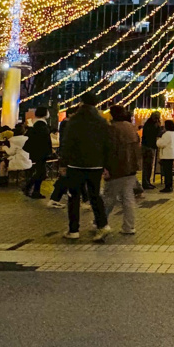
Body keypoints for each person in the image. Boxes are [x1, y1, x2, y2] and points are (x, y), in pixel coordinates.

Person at [57, 93, 112, 241]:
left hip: (75, 164)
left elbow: (67, 143)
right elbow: (108, 144)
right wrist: (106, 165)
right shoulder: (102, 122)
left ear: (81, 103)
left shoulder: (74, 121)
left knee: (74, 197)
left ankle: (73, 230)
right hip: (96, 165)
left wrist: (63, 163)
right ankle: (103, 225)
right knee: (95, 196)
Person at [102, 105, 142, 235]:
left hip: (117, 167)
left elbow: (109, 149)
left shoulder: (111, 129)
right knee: (128, 198)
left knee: (109, 197)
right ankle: (129, 226)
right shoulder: (130, 128)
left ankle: (100, 223)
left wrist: (105, 166)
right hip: (131, 168)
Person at [23, 107, 52, 199]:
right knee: (41, 173)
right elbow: (44, 141)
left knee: (40, 172)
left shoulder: (36, 125)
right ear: (44, 114)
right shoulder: (41, 126)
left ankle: (33, 190)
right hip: (40, 152)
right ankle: (30, 188)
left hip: (37, 152)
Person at [156, 119, 174, 193]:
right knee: (169, 172)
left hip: (167, 155)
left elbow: (161, 144)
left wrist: (158, 139)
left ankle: (168, 186)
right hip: (172, 154)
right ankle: (169, 186)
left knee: (167, 172)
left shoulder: (167, 134)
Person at [140, 112, 161, 190]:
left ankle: (147, 182)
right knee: (147, 165)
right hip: (149, 147)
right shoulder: (152, 125)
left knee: (147, 166)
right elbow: (155, 134)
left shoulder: (148, 123)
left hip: (146, 146)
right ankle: (146, 182)